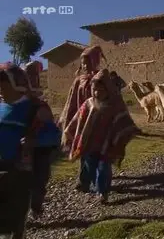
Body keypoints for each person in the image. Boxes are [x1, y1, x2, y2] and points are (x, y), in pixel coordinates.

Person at [63, 69, 139, 203]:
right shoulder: (89, 103)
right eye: (94, 89)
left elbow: (124, 120)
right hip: (90, 143)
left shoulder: (115, 105)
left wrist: (129, 131)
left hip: (107, 144)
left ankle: (102, 192)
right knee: (89, 165)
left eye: (100, 90)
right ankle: (87, 184)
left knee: (104, 168)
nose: (97, 93)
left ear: (108, 89)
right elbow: (78, 119)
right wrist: (68, 131)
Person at [0, 63, 57, 238]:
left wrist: (35, 140)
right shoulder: (1, 107)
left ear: (17, 85)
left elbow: (55, 135)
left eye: (3, 83)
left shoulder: (35, 109)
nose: (0, 88)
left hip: (21, 172)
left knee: (16, 214)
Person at [57, 45, 106, 191]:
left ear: (95, 61)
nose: (85, 65)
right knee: (83, 148)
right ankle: (85, 180)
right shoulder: (79, 80)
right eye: (83, 62)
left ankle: (93, 180)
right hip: (82, 120)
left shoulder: (102, 77)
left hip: (98, 121)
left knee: (95, 151)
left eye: (88, 62)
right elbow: (72, 100)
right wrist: (68, 117)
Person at [23, 60, 62, 218]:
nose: (32, 79)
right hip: (16, 155)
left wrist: (37, 139)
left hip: (39, 153)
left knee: (39, 181)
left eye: (35, 76)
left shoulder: (42, 107)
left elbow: (53, 135)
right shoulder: (8, 107)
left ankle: (36, 207)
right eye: (27, 75)